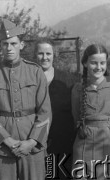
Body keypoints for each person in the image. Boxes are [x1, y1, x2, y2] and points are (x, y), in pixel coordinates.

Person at [0, 19, 52, 180]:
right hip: (2, 150)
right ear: (0, 46)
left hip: (32, 148)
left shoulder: (35, 72)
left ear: (21, 45)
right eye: (5, 44)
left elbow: (45, 111)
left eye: (13, 43)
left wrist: (31, 142)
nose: (9, 48)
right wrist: (8, 141)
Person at [71, 44, 110, 179]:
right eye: (93, 63)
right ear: (85, 63)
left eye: (102, 63)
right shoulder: (77, 89)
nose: (98, 67)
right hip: (85, 143)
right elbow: (76, 118)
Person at [34, 38, 75, 179]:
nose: (44, 57)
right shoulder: (28, 81)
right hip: (36, 143)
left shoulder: (69, 80)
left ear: (54, 54)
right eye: (40, 53)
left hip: (63, 143)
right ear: (35, 55)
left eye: (48, 53)